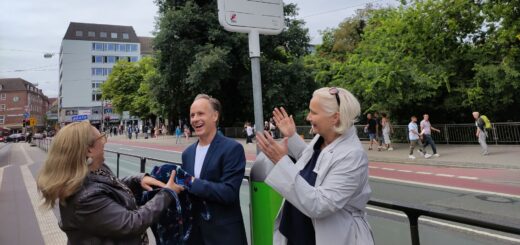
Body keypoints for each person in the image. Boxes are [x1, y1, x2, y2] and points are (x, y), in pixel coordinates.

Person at [256, 87, 374, 245]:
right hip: (298, 234)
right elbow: (313, 163)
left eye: (314, 112)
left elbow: (319, 205)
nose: (308, 117)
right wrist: (291, 136)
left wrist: (280, 162)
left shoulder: (352, 156)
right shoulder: (324, 139)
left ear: (335, 118)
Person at [36, 121, 184, 244]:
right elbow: (132, 223)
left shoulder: (92, 170)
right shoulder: (85, 198)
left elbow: (110, 187)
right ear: (89, 150)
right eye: (101, 137)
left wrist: (137, 180)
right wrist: (167, 193)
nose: (104, 141)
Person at [181, 94, 247, 245]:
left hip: (224, 237)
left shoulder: (232, 149)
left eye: (200, 113)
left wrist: (191, 182)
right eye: (192, 115)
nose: (195, 119)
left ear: (215, 116)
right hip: (195, 237)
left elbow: (229, 192)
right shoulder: (187, 154)